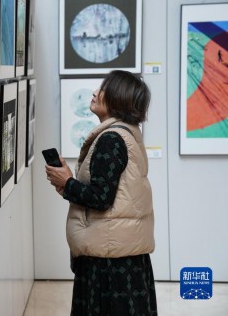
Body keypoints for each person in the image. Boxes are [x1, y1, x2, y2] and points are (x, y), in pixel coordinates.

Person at [45, 70, 157, 315]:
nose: (95, 93)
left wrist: (69, 183)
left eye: (103, 89)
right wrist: (68, 185)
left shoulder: (111, 139)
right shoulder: (126, 134)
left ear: (118, 98)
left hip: (109, 262)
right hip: (121, 253)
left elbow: (101, 198)